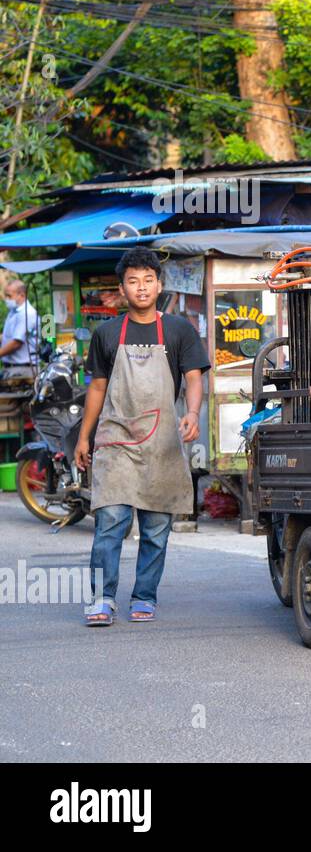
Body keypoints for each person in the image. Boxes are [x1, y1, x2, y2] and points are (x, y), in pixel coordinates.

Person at [75, 249, 208, 626]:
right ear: (122, 289)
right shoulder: (106, 333)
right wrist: (84, 437)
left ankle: (144, 596)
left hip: (163, 443)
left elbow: (194, 378)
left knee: (155, 529)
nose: (141, 287)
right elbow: (98, 389)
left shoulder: (179, 330)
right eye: (133, 281)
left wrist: (193, 414)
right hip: (116, 441)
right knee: (110, 522)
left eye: (148, 280)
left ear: (159, 285)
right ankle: (102, 598)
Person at [0, 278, 42, 380]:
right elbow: (8, 337)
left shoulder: (27, 313)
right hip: (12, 369)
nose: (6, 299)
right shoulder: (14, 312)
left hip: (23, 370)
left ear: (22, 295)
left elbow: (16, 343)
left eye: (9, 296)